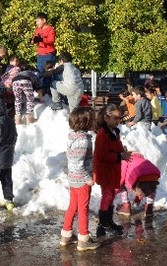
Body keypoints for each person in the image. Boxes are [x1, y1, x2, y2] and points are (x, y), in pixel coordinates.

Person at [60, 107, 100, 251]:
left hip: (73, 178)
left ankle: (66, 235)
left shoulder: (73, 136)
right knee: (83, 208)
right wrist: (88, 178)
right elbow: (78, 163)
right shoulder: (83, 140)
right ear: (86, 122)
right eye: (92, 119)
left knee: (73, 206)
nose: (95, 121)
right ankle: (84, 239)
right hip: (81, 181)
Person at [93, 104, 133, 236]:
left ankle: (108, 221)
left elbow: (117, 147)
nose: (118, 121)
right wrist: (120, 155)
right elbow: (103, 155)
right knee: (107, 195)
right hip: (105, 170)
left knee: (112, 194)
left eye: (119, 118)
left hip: (114, 168)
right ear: (106, 117)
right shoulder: (102, 134)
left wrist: (123, 151)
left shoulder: (115, 132)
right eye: (115, 118)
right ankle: (102, 224)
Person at [31, 13, 56, 94]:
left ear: (44, 20)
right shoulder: (38, 30)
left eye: (38, 21)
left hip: (48, 54)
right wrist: (32, 41)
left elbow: (51, 40)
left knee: (49, 73)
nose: (36, 23)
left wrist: (42, 39)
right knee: (40, 73)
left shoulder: (50, 29)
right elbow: (34, 39)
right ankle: (41, 93)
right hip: (40, 55)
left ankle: (49, 93)